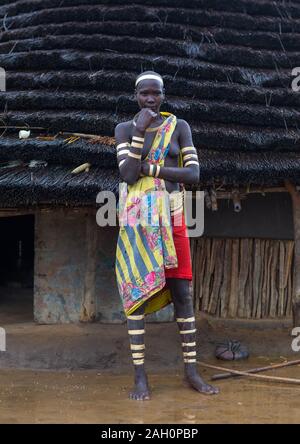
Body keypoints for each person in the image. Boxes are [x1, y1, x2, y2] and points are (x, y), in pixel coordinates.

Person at [115, 71, 219, 400]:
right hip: (137, 220)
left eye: (155, 93)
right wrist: (140, 131)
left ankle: (191, 371)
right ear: (136, 96)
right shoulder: (123, 129)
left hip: (173, 216)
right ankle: (140, 378)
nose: (150, 99)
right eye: (144, 94)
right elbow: (128, 175)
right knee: (136, 295)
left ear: (163, 94)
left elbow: (193, 174)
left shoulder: (180, 127)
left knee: (183, 292)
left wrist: (152, 169)